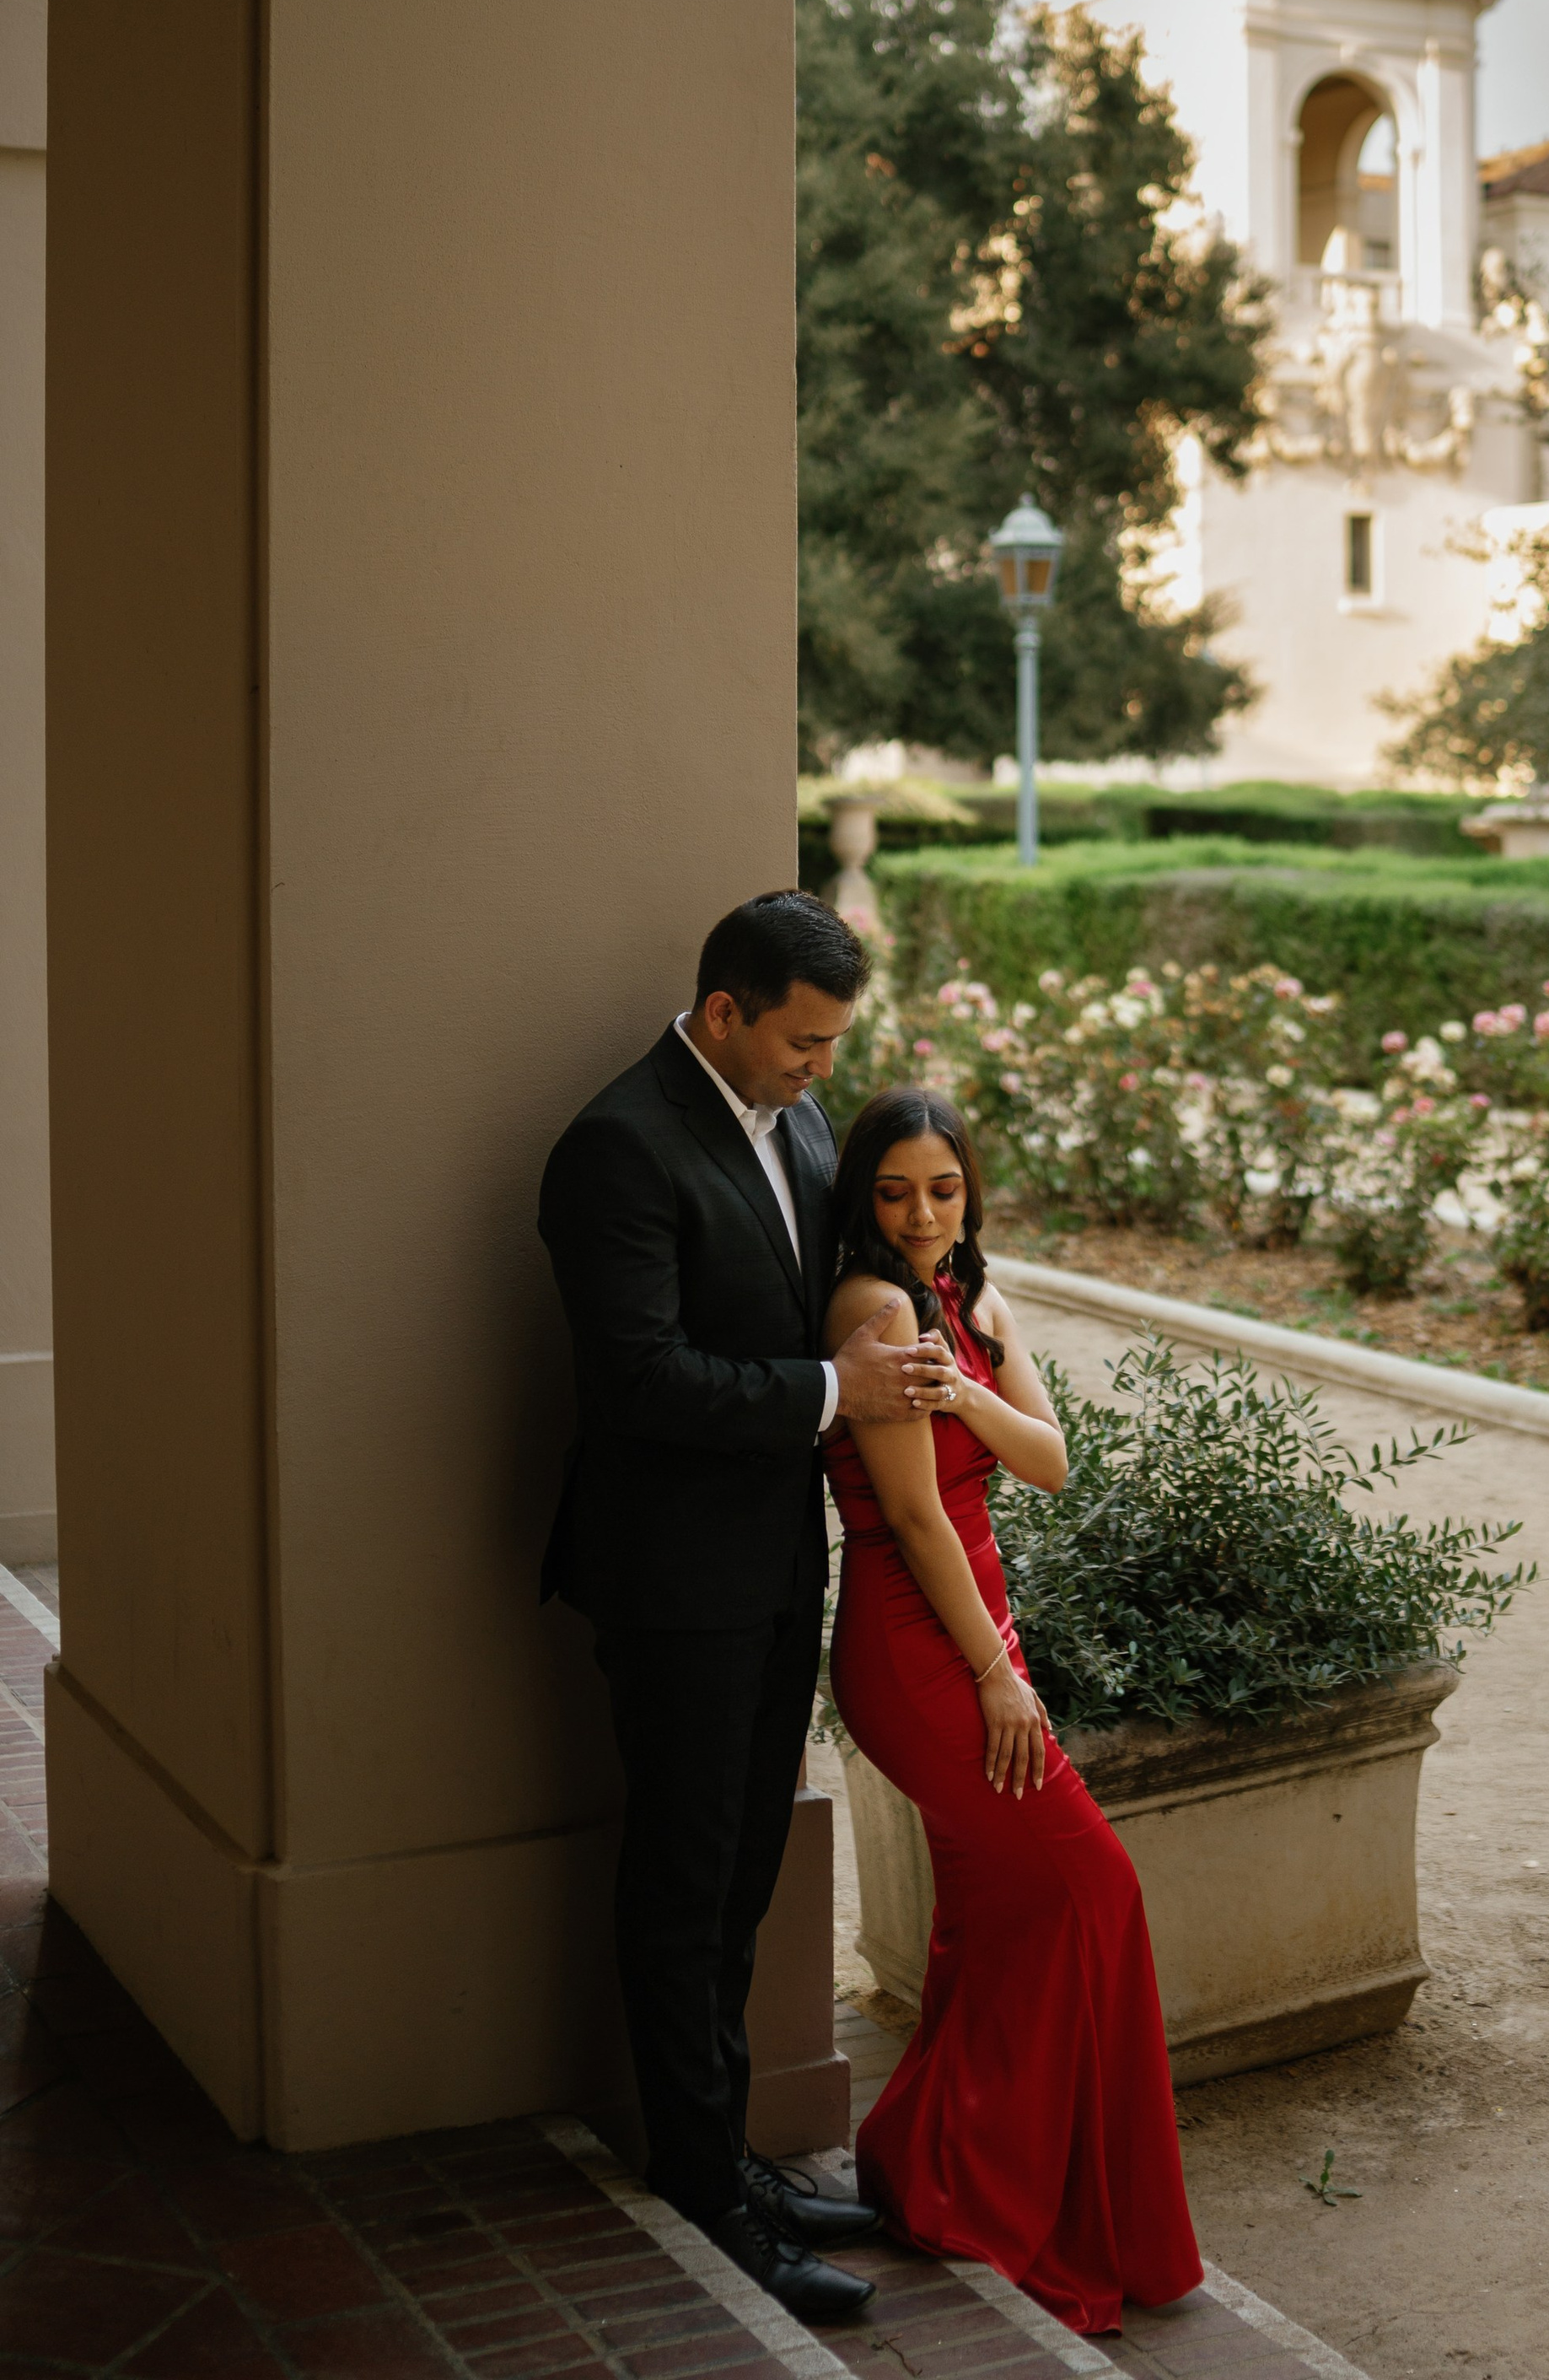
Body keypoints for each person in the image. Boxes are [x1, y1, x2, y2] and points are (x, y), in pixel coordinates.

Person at [539, 891, 948, 2327]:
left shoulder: (798, 1121)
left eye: (836, 1044)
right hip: (671, 1582)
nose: (823, 1068)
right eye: (806, 1041)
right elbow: (639, 1381)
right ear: (725, 1013)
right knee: (685, 1878)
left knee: (741, 1882)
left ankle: (735, 2163)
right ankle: (709, 2194)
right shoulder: (616, 1146)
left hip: (777, 1567)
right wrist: (841, 1393)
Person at [823, 1086, 1204, 2338]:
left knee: (1000, 1916)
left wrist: (968, 1394)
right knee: (1091, 1890)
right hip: (921, 1644)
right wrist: (994, 1672)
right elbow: (920, 1518)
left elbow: (1047, 1458)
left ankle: (931, 2168)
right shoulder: (873, 1310)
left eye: (943, 1187)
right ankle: (981, 2190)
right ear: (861, 1201)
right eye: (893, 1190)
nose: (923, 1211)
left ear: (970, 1189)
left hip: (984, 1637)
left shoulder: (972, 1300)